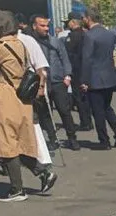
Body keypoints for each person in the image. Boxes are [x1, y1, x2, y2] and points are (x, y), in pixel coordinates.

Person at [0, 9, 56, 202]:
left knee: (7, 143)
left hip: (8, 96)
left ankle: (17, 190)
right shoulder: (19, 43)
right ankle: (43, 172)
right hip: (23, 97)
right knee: (18, 142)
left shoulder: (0, 46)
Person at [80, 9, 116, 150]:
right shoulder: (109, 34)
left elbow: (87, 60)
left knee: (98, 111)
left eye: (83, 18)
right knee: (107, 107)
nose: (82, 20)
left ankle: (104, 140)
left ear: (88, 18)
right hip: (109, 76)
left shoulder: (89, 36)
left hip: (95, 78)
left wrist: (84, 81)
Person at [32, 15, 77, 149]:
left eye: (47, 25)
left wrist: (67, 75)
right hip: (41, 82)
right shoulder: (32, 43)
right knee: (45, 113)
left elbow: (64, 58)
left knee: (64, 111)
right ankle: (52, 139)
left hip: (58, 81)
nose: (46, 28)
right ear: (34, 26)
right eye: (42, 26)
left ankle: (72, 138)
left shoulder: (55, 41)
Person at [14, 16, 52, 150]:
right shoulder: (2, 42)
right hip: (14, 90)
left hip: (30, 87)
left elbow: (41, 67)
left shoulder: (27, 40)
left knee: (35, 121)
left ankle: (41, 150)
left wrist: (40, 88)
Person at [63, 13, 91, 130]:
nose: (67, 24)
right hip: (86, 69)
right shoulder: (86, 34)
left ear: (73, 22)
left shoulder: (73, 36)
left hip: (76, 69)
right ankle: (88, 121)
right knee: (85, 97)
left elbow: (67, 53)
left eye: (68, 22)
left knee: (79, 97)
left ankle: (85, 122)